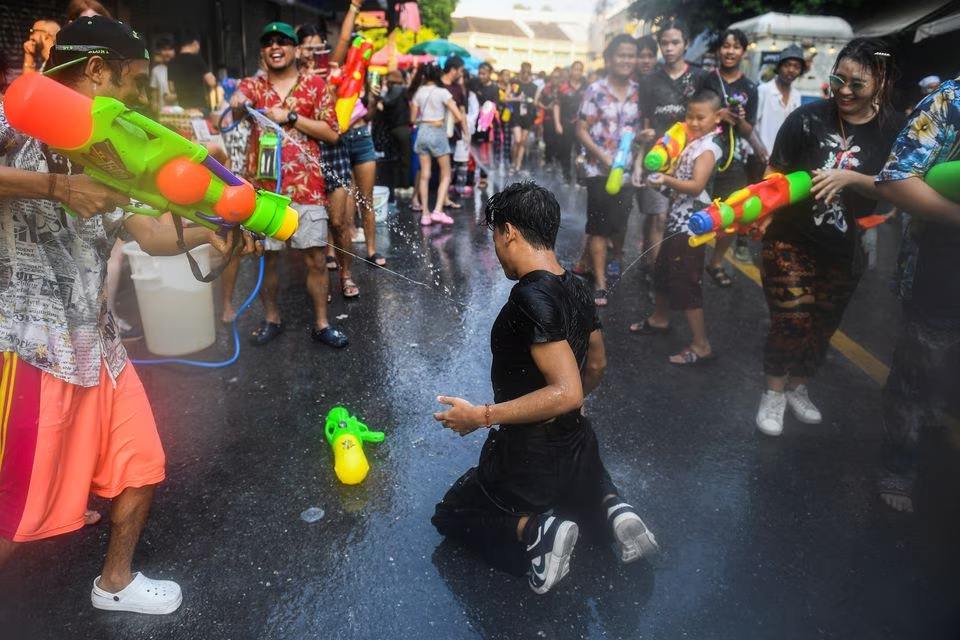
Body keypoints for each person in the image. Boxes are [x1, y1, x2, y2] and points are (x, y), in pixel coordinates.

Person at [0, 15, 259, 614]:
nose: (137, 99)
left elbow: (146, 231)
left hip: (98, 344)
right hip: (33, 347)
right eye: (132, 83)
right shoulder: (15, 118)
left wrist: (209, 235)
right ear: (95, 71)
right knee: (16, 511)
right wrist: (58, 190)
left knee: (141, 461)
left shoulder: (105, 148)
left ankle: (114, 582)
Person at [431, 182, 658, 594]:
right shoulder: (578, 286)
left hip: (528, 460)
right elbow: (597, 364)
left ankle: (536, 532)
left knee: (451, 514)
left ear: (509, 232)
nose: (497, 247)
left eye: (495, 236)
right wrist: (572, 406)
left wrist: (480, 417)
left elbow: (566, 390)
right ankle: (611, 509)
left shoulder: (529, 297)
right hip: (577, 446)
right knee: (578, 479)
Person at [754, 38, 904, 436]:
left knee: (822, 324)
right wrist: (759, 207)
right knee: (793, 318)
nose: (844, 91)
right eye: (839, 79)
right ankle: (773, 392)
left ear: (882, 81)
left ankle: (799, 387)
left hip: (846, 247)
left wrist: (851, 178)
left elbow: (900, 188)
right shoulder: (806, 119)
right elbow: (775, 171)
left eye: (857, 84)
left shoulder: (893, 128)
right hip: (790, 237)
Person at [231, 21, 348, 348]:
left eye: (283, 41)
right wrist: (237, 100)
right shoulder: (253, 86)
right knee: (267, 259)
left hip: (307, 189)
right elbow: (231, 109)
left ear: (296, 49)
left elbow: (333, 133)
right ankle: (272, 318)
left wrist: (291, 117)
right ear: (262, 51)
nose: (275, 46)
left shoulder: (315, 86)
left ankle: (322, 324)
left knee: (315, 259)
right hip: (264, 192)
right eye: (268, 42)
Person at [874, 77, 960, 512]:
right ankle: (898, 466)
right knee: (916, 373)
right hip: (941, 271)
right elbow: (895, 180)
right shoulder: (950, 100)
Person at [629, 89, 723, 365]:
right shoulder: (694, 141)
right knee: (663, 271)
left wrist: (666, 181)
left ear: (717, 117)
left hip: (692, 227)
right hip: (677, 221)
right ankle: (660, 318)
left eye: (700, 117)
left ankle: (701, 344)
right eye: (689, 116)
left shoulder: (708, 147)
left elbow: (696, 186)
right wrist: (663, 180)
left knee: (685, 281)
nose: (693, 122)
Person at [575, 34, 652, 306]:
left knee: (619, 224)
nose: (626, 60)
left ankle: (615, 259)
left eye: (631, 55)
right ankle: (600, 282)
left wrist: (640, 161)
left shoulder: (640, 91)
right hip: (598, 170)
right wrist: (604, 158)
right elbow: (581, 130)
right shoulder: (595, 90)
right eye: (621, 54)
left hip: (628, 173)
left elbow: (645, 133)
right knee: (597, 226)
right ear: (609, 59)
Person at [638, 20, 705, 274]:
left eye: (675, 42)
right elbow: (644, 121)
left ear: (686, 45)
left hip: (690, 158)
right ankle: (655, 273)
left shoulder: (699, 78)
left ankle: (673, 270)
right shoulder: (649, 80)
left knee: (680, 219)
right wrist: (639, 161)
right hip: (657, 157)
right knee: (657, 216)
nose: (669, 48)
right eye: (664, 43)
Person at [702, 28, 758, 274]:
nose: (730, 51)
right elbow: (692, 116)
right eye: (726, 46)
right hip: (703, 155)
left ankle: (716, 261)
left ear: (743, 52)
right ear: (718, 50)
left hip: (734, 161)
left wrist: (740, 119)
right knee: (697, 208)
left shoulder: (750, 87)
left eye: (736, 47)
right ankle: (689, 261)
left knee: (732, 213)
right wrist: (718, 115)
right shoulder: (706, 80)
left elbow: (748, 129)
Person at [411, 63, 467, 225]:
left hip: (422, 133)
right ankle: (437, 210)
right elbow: (458, 116)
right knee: (446, 174)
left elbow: (413, 118)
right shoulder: (443, 92)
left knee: (424, 174)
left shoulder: (419, 93)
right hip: (438, 132)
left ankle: (425, 214)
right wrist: (447, 122)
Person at [754, 45, 804, 171]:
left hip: (783, 160)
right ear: (779, 67)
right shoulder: (764, 90)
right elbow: (752, 124)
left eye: (796, 67)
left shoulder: (796, 96)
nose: (791, 70)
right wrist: (759, 148)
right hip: (760, 157)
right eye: (787, 65)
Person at [167, 29, 216, 114]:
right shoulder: (197, 59)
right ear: (195, 43)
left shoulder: (172, 63)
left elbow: (171, 88)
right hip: (199, 108)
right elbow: (211, 82)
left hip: (183, 109)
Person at [554, 60, 586, 184]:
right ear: (571, 71)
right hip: (566, 122)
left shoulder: (587, 86)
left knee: (581, 151)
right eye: (575, 69)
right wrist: (557, 123)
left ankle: (580, 177)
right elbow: (557, 105)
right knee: (565, 150)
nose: (577, 72)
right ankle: (566, 176)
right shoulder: (563, 87)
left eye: (580, 69)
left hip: (582, 125)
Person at [507, 62, 538, 172]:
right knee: (517, 139)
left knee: (523, 141)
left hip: (528, 116)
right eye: (523, 72)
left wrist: (532, 102)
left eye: (528, 72)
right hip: (516, 114)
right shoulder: (514, 83)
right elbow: (505, 98)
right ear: (520, 71)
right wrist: (517, 99)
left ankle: (518, 166)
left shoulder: (534, 87)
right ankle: (513, 161)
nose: (525, 74)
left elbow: (536, 102)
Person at [149, 34, 177, 115]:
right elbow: (154, 91)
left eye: (170, 49)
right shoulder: (156, 70)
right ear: (160, 52)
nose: (167, 53)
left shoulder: (181, 68)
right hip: (163, 114)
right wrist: (154, 104)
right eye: (164, 49)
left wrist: (174, 97)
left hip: (181, 115)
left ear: (175, 51)